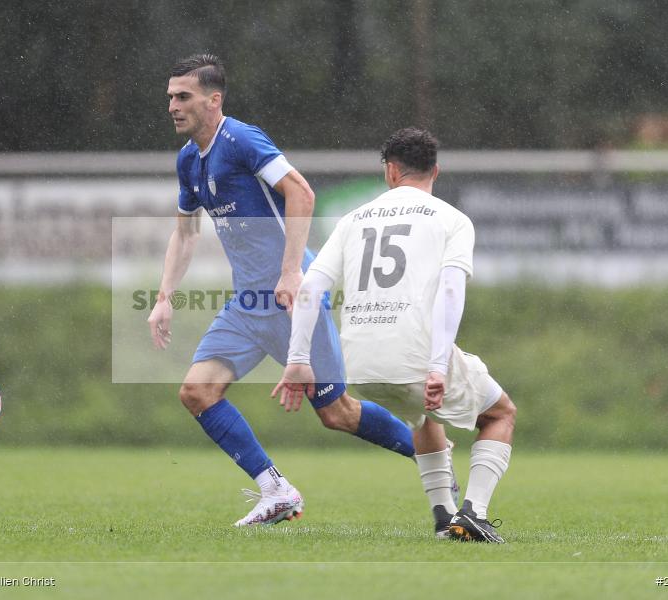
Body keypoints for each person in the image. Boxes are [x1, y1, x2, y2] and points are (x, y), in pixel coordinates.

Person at [148, 54, 444, 527]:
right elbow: (184, 233)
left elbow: (301, 192)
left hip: (292, 300)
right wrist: (164, 297)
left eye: (183, 97)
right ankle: (276, 490)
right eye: (169, 97)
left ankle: (436, 465)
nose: (172, 106)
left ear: (213, 99)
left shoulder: (241, 140)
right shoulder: (188, 160)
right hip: (247, 305)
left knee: (338, 414)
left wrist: (290, 274)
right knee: (197, 392)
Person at [275, 127, 517, 543]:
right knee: (500, 414)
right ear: (435, 172)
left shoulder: (354, 218)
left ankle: (444, 518)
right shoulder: (452, 219)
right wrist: (439, 366)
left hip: (361, 365)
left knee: (421, 414)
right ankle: (473, 513)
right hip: (415, 357)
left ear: (389, 172)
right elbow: (451, 291)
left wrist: (298, 360)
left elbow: (311, 287)